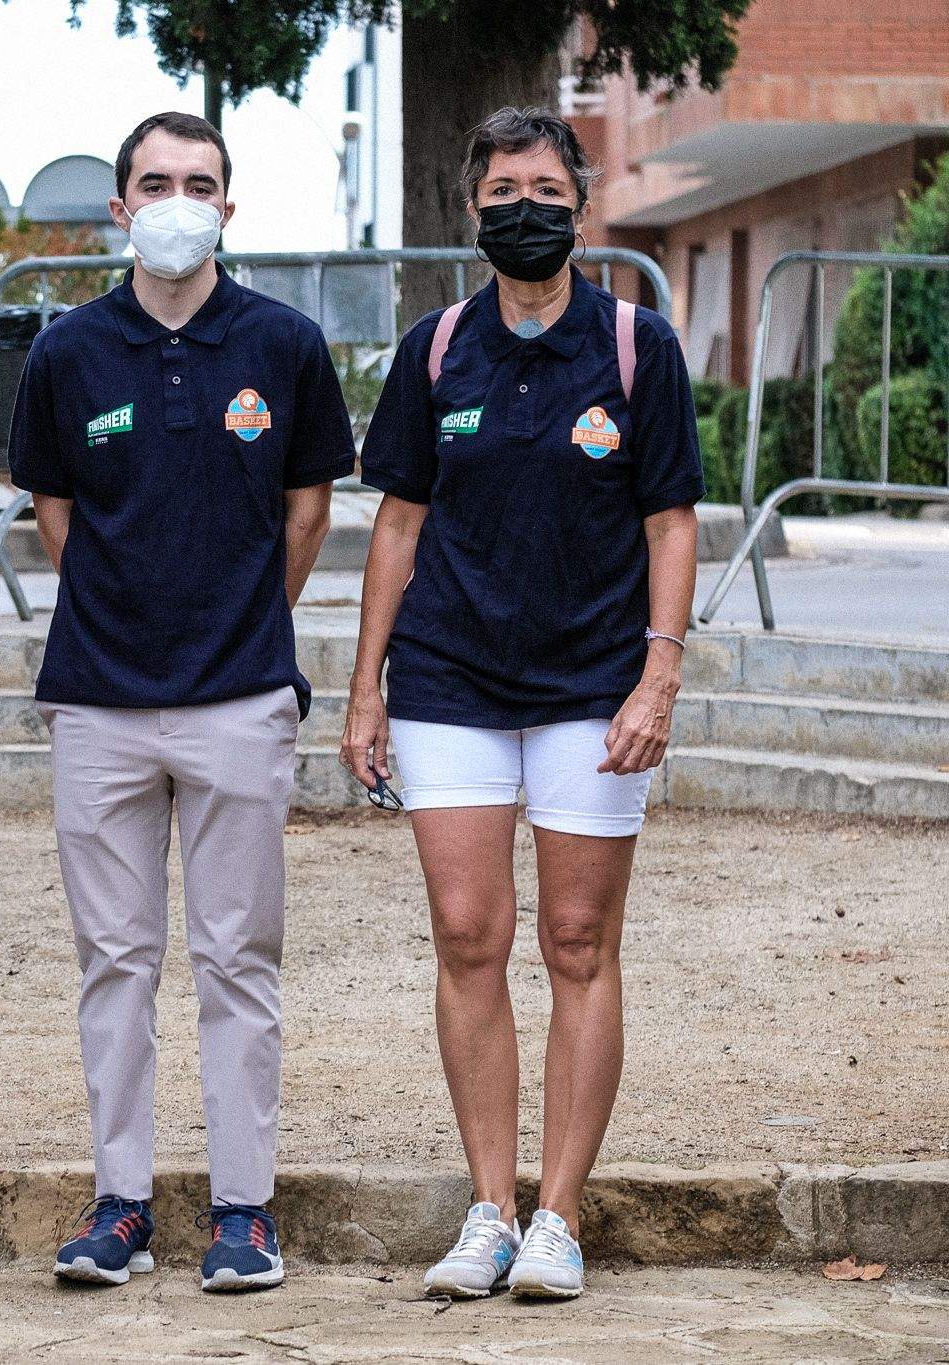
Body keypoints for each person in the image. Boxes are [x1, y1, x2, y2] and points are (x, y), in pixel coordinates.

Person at [341, 107, 704, 1302]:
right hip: (448, 683)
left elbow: (669, 523)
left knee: (577, 944)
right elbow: (395, 523)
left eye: (545, 188)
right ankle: (486, 1209)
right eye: (501, 191)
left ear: (580, 201)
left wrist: (658, 675)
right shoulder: (434, 349)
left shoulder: (637, 348)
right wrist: (364, 692)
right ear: (471, 208)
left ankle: (557, 1218)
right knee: (466, 937)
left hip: (595, 689)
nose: (524, 209)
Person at [8, 111, 353, 1294]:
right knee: (115, 960)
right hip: (99, 702)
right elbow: (55, 515)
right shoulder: (63, 354)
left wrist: (237, 618)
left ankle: (244, 1212)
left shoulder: (285, 344)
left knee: (236, 958)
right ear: (117, 207)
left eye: (196, 182)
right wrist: (129, 608)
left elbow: (306, 510)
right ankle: (120, 1203)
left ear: (227, 206)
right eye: (152, 182)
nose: (174, 199)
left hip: (240, 697)